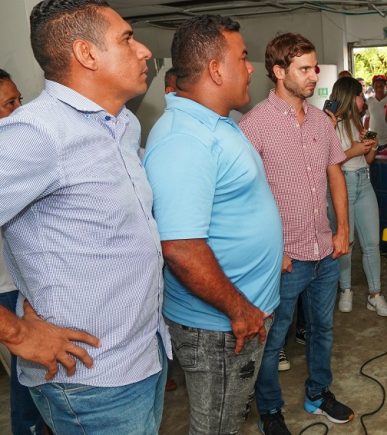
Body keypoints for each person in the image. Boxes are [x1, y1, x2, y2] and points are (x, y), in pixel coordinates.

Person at [0, 0, 171, 432]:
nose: (145, 51)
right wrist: (17, 333)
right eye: (127, 39)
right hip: (92, 379)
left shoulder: (124, 125)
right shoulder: (38, 133)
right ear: (87, 54)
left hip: (144, 353)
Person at [143, 15, 281, 434]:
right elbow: (181, 248)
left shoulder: (217, 123)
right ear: (216, 69)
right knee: (216, 427)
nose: (251, 66)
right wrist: (240, 310)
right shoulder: (186, 139)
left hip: (236, 316)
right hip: (221, 327)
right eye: (242, 57)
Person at [239, 32, 353, 435]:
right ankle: (270, 409)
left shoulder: (322, 121)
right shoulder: (254, 126)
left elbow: (335, 173)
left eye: (314, 67)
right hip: (284, 258)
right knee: (272, 341)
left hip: (324, 250)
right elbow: (246, 199)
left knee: (323, 330)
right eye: (304, 69)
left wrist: (342, 229)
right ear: (278, 71)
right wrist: (271, 250)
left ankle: (318, 394)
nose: (313, 75)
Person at [0, 69, 48, 435]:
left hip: (26, 280)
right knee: (25, 378)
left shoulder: (21, 153)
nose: (20, 110)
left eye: (19, 100)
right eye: (8, 104)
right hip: (5, 288)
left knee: (35, 378)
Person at [328, 77, 387, 316]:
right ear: (349, 96)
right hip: (342, 184)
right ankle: (345, 290)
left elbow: (366, 161)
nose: (363, 99)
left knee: (372, 243)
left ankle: (375, 295)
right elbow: (325, 161)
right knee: (347, 241)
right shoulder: (330, 124)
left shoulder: (359, 123)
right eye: (359, 95)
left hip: (364, 182)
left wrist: (372, 146)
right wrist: (353, 150)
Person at [364, 74, 387, 149]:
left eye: (381, 86)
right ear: (373, 87)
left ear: (386, 86)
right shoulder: (369, 100)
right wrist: (365, 138)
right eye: (376, 86)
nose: (379, 89)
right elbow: (367, 119)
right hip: (373, 140)